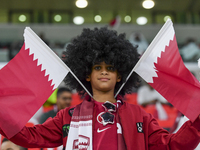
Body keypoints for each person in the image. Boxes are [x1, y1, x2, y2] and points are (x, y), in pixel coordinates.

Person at [0, 27, 200, 150]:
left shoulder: (140, 116)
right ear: (87, 74)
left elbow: (172, 145)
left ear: (119, 74)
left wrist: (198, 122)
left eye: (110, 68)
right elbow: (29, 137)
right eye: (98, 67)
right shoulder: (67, 116)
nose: (104, 72)